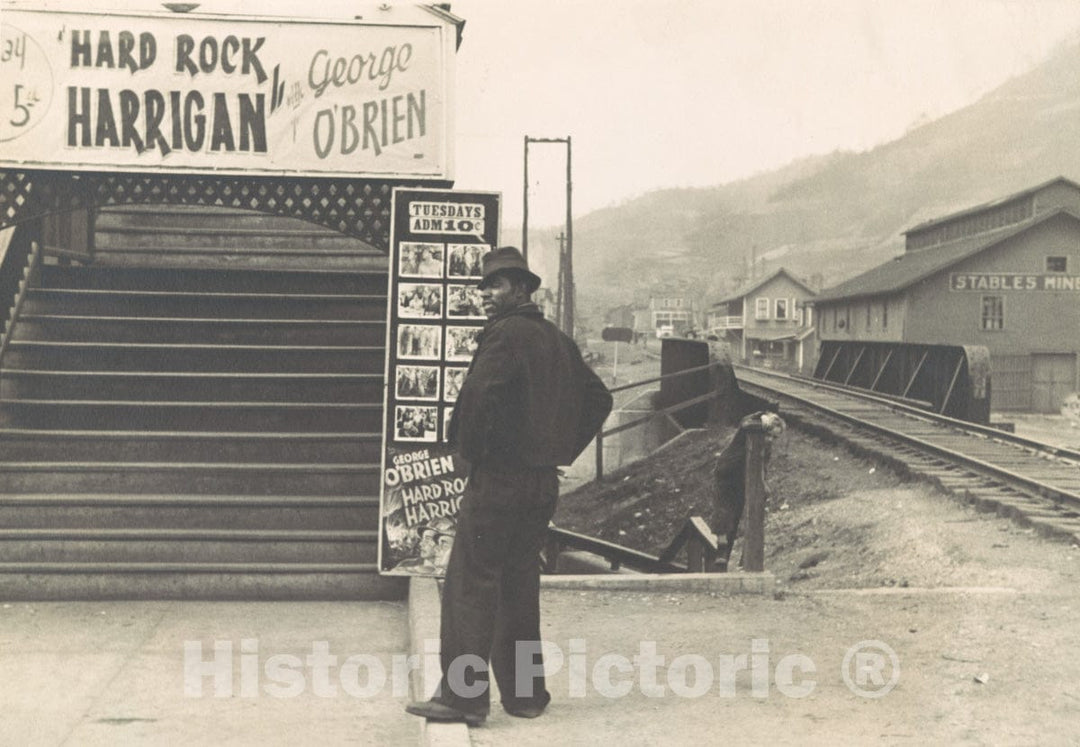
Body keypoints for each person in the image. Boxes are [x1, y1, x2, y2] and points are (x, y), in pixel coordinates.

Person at [406, 246, 613, 726]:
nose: (485, 295)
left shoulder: (503, 335)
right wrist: (559, 451)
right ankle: (525, 696)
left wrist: (473, 456)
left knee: (470, 582)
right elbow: (598, 398)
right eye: (483, 286)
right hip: (541, 484)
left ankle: (462, 699)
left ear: (521, 288)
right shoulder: (558, 340)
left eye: (495, 286)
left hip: (498, 479)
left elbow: (479, 400)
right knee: (520, 583)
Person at [711, 411, 786, 567]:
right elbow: (745, 421)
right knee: (724, 510)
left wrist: (763, 483)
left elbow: (763, 465)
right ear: (764, 429)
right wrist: (762, 418)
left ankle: (745, 558)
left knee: (742, 512)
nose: (770, 440)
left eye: (774, 438)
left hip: (745, 477)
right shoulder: (748, 432)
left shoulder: (766, 446)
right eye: (769, 435)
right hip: (728, 471)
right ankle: (721, 550)